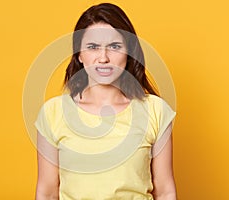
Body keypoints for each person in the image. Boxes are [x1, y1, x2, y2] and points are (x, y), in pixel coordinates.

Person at [34, 3, 177, 200]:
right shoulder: (53, 113)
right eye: (92, 47)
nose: (103, 58)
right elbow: (47, 193)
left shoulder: (156, 111)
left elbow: (165, 191)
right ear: (79, 55)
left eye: (114, 47)